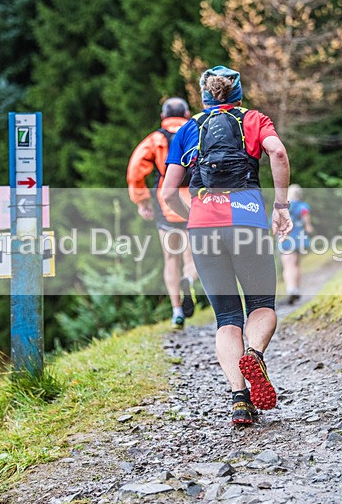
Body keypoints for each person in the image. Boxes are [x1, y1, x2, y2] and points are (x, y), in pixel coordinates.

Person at [162, 66, 292, 425]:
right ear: (237, 93)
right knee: (262, 305)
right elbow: (278, 154)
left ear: (204, 96)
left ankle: (239, 399)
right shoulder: (253, 120)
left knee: (226, 319)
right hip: (247, 221)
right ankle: (255, 354)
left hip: (203, 227)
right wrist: (281, 206)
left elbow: (168, 193)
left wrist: (191, 213)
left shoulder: (188, 129)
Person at [127, 97, 198, 330]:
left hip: (165, 201)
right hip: (194, 201)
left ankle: (177, 311)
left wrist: (142, 200)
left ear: (163, 116)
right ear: (187, 114)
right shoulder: (196, 130)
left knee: (171, 258)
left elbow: (136, 168)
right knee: (193, 255)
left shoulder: (155, 139)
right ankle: (189, 281)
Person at [279, 184, 313, 305]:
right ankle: (296, 288)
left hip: (286, 238)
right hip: (299, 238)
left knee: (287, 265)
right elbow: (306, 220)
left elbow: (274, 221)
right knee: (296, 264)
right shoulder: (303, 206)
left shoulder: (282, 206)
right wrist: (308, 227)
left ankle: (291, 288)